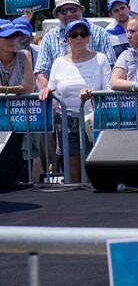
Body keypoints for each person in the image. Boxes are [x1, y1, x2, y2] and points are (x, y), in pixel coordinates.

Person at [38, 19, 110, 183]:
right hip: (67, 123)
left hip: (94, 121)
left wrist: (92, 93)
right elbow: (52, 89)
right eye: (74, 34)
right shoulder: (58, 63)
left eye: (83, 34)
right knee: (74, 173)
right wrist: (45, 91)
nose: (79, 38)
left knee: (96, 170)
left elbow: (109, 89)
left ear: (88, 38)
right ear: (66, 39)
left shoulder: (100, 59)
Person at [34, 0, 115, 91]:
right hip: (61, 103)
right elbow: (41, 73)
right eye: (63, 11)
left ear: (81, 10)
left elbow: (111, 69)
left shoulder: (100, 33)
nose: (69, 14)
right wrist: (48, 98)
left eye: (73, 9)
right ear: (57, 16)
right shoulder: (49, 38)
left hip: (95, 102)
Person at [0, 19, 34, 95]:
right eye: (8, 36)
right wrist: (19, 89)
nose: (14, 39)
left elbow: (29, 88)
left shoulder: (24, 55)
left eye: (16, 35)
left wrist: (3, 90)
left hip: (21, 106)